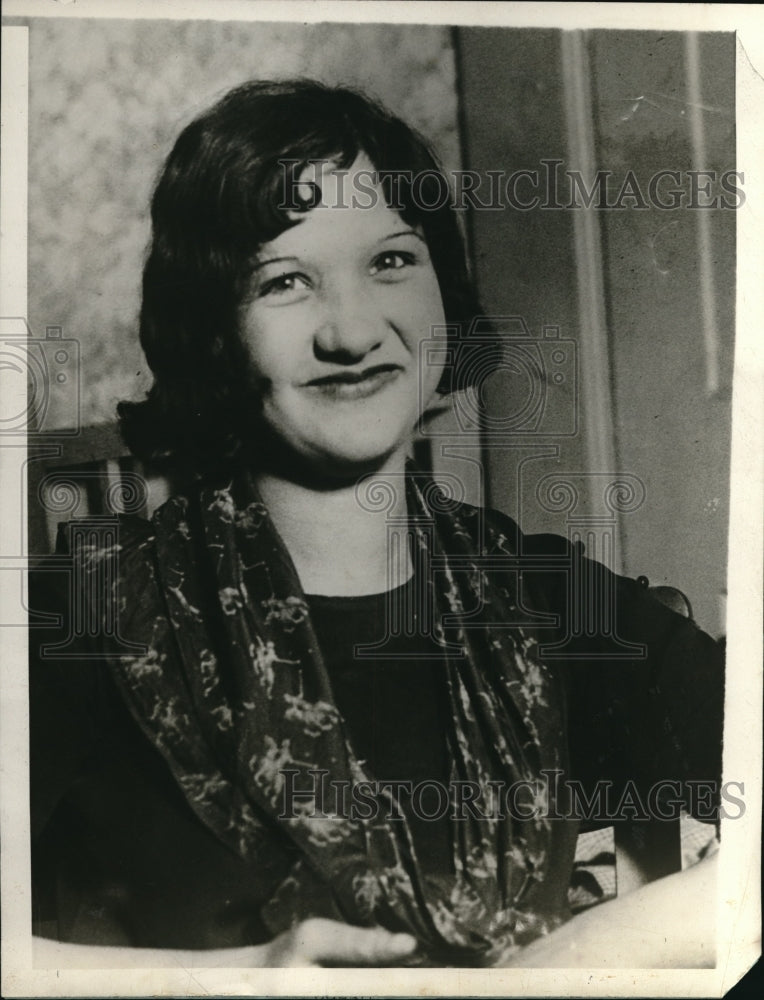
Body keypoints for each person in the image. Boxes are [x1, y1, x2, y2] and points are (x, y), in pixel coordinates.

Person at [29, 79, 724, 969]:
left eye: (392, 261)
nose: (353, 332)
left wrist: (580, 954)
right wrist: (234, 980)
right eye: (285, 281)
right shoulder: (83, 621)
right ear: (212, 328)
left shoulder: (544, 596)